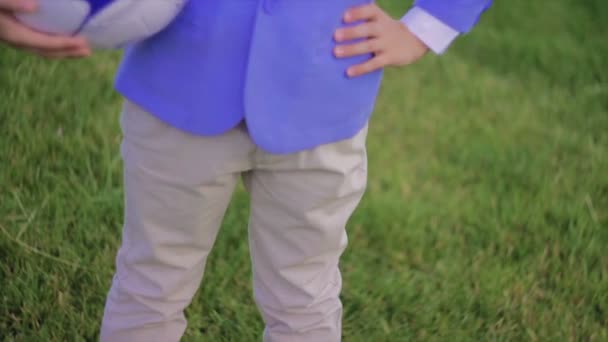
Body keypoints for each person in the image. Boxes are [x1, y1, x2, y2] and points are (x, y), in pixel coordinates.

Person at [0, 0, 491, 341]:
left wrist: (428, 25)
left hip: (323, 100)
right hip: (180, 90)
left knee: (305, 292)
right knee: (152, 279)